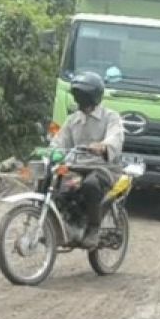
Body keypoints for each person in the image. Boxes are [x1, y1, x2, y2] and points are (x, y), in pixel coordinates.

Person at [51, 71, 125, 248]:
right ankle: (65, 224)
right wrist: (50, 152)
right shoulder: (72, 120)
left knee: (91, 186)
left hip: (103, 168)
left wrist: (103, 146)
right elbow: (59, 142)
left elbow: (116, 138)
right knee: (54, 184)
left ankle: (94, 228)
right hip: (76, 167)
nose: (79, 99)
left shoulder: (110, 117)